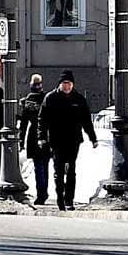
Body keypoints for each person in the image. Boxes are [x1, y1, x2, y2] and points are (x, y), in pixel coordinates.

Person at [40, 70, 98, 210]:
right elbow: (42, 120)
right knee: (58, 170)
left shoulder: (78, 99)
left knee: (71, 169)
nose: (67, 87)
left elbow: (86, 121)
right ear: (60, 84)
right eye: (65, 84)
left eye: (69, 84)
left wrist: (93, 138)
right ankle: (60, 198)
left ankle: (69, 200)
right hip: (56, 140)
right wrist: (41, 137)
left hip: (74, 140)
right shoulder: (50, 98)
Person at [18, 73, 50, 205]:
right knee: (45, 165)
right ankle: (44, 191)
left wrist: (21, 140)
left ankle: (41, 194)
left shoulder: (27, 101)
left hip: (33, 136)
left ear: (31, 86)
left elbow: (24, 123)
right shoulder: (47, 98)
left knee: (38, 166)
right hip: (47, 135)